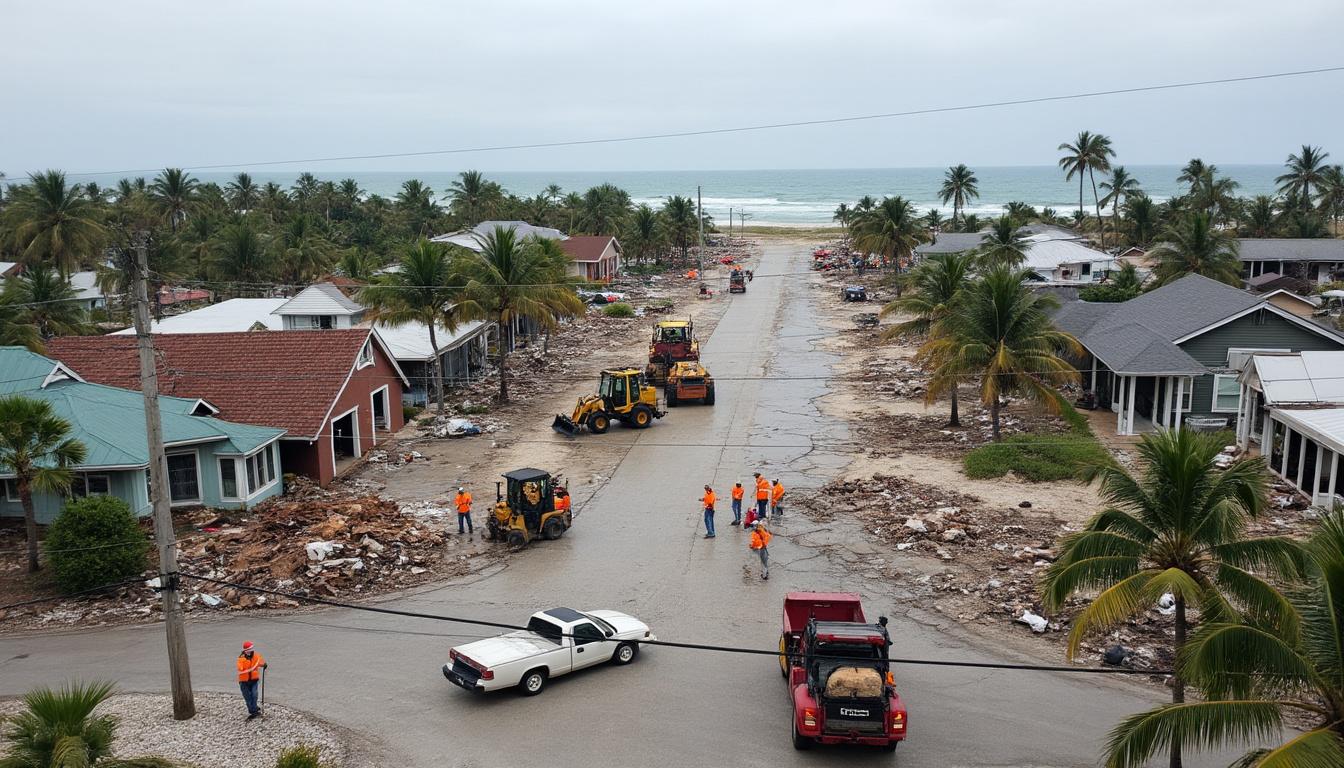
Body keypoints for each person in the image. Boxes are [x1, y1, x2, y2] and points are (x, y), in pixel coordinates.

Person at [237, 641, 267, 720]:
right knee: (248, 698)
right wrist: (246, 662)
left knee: (254, 695)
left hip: (254, 680)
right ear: (245, 650)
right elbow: (241, 668)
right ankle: (253, 711)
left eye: (251, 649)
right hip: (244, 682)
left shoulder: (256, 656)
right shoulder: (241, 659)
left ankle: (254, 710)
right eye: (248, 649)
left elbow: (260, 662)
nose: (250, 650)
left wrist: (264, 664)